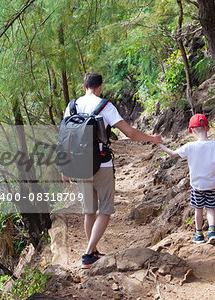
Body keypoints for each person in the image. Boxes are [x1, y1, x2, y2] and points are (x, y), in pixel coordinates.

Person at [61, 72, 163, 268]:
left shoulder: (72, 106)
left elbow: (65, 138)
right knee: (105, 210)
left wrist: (65, 168)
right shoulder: (105, 105)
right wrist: (153, 139)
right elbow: (130, 132)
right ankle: (88, 254)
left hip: (79, 165)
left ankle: (93, 251)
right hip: (102, 163)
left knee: (89, 211)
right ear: (100, 87)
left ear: (84, 87)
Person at [158, 114, 215, 244]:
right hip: (212, 184)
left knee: (198, 209)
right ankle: (212, 232)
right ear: (208, 128)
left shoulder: (189, 146)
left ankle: (199, 234)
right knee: (211, 208)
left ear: (193, 130)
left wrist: (159, 143)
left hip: (197, 186)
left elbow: (172, 154)